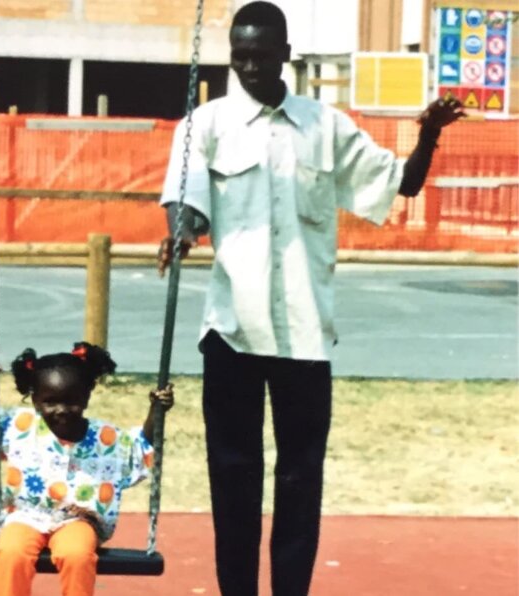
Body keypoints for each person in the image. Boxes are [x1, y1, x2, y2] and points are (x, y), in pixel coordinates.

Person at [156, 2, 465, 595]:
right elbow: (186, 200)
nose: (248, 67)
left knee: (300, 479)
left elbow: (401, 183)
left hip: (304, 332)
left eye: (260, 56)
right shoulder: (206, 125)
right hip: (232, 330)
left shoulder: (326, 126)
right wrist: (180, 230)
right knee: (233, 477)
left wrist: (426, 134)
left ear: (284, 56)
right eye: (239, 56)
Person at [0, 342, 174, 596]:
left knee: (76, 555)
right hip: (25, 515)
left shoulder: (106, 439)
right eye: (51, 402)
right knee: (10, 553)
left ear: (86, 397)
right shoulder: (20, 427)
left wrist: (157, 409)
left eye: (71, 402)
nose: (62, 410)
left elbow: (141, 445)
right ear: (34, 400)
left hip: (79, 519)